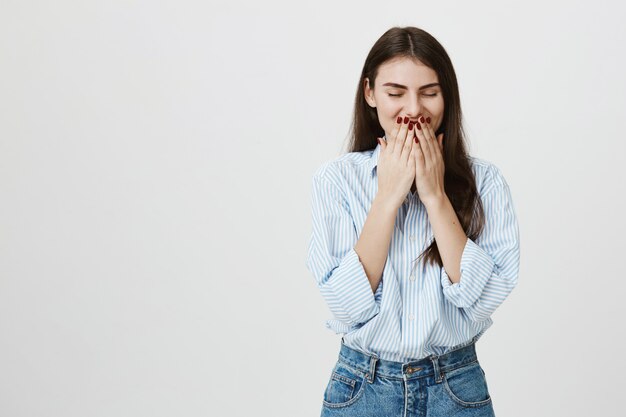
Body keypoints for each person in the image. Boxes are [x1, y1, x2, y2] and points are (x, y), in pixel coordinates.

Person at [305, 26, 520, 417]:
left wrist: (435, 196)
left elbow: (483, 298)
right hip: (361, 388)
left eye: (429, 93)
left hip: (455, 388)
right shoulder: (336, 180)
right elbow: (346, 305)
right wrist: (387, 197)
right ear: (370, 93)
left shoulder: (486, 181)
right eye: (395, 92)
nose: (414, 109)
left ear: (446, 97)